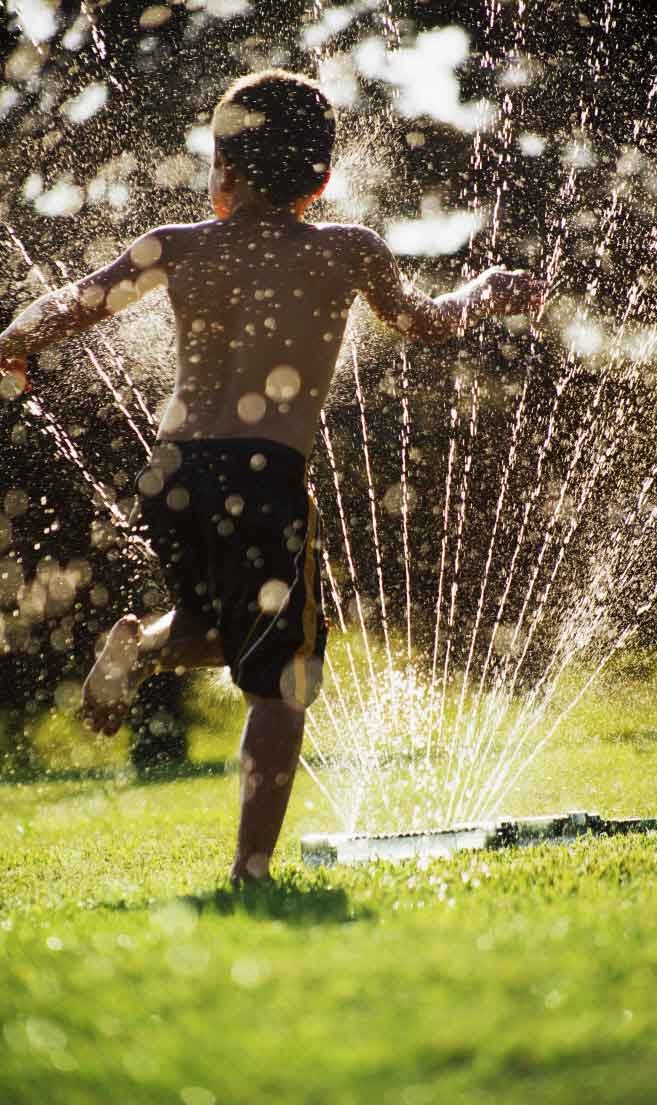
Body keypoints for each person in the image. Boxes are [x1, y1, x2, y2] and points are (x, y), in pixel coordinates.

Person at [0, 69, 543, 883]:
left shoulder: (177, 244)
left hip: (173, 473)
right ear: (320, 179)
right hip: (264, 475)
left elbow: (71, 305)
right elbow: (425, 323)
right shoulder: (347, 249)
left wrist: (13, 343)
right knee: (282, 684)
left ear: (224, 170)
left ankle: (138, 646)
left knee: (218, 630)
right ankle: (250, 869)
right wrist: (484, 291)